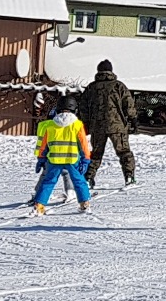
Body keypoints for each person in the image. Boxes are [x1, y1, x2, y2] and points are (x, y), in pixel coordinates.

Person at [29, 95, 92, 216]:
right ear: (75, 109)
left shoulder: (51, 125)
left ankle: (39, 206)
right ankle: (84, 204)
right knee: (79, 181)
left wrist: (41, 158)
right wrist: (85, 159)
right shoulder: (77, 125)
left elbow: (44, 145)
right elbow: (83, 144)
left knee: (48, 182)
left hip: (54, 160)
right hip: (72, 160)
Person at [80, 58, 139, 188]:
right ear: (111, 71)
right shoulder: (118, 86)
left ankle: (88, 177)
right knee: (124, 151)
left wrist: (86, 123)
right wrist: (133, 119)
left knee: (96, 153)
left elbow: (83, 107)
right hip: (117, 126)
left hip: (97, 126)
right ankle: (129, 176)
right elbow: (128, 103)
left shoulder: (91, 87)